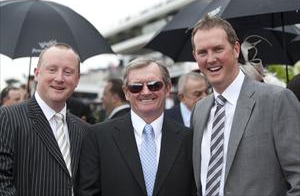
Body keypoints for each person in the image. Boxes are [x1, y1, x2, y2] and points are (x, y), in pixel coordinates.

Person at [191, 15, 300, 196]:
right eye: (203, 52)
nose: (210, 59)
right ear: (195, 56)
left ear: (235, 49)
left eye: (218, 49)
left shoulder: (276, 100)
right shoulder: (199, 111)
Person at [78, 57, 196, 196]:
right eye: (136, 87)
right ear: (126, 92)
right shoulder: (98, 136)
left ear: (167, 89)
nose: (145, 92)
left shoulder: (188, 138)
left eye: (154, 85)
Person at [0, 43, 90, 196]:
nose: (59, 78)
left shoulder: (84, 130)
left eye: (68, 72)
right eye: (52, 69)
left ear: (77, 80)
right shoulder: (7, 117)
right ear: (36, 73)